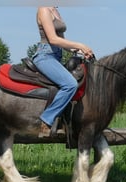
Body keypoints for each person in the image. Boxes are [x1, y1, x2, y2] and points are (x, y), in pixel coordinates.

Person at [32, 6, 94, 137]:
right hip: (45, 56)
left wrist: (79, 51)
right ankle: (46, 121)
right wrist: (80, 45)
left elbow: (62, 42)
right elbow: (53, 39)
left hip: (56, 56)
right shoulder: (43, 9)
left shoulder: (55, 10)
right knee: (70, 84)